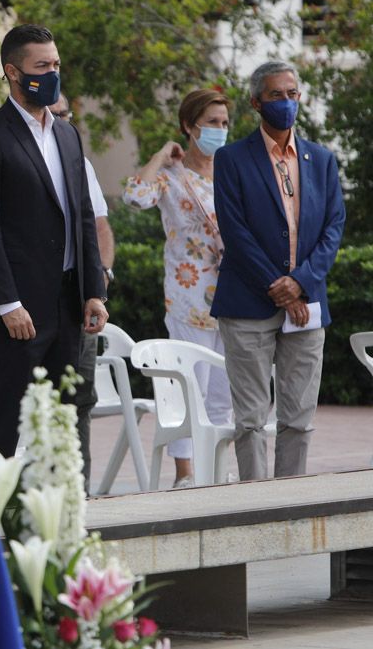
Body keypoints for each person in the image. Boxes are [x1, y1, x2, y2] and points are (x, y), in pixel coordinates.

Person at [0, 24, 107, 506]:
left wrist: (94, 290)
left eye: (56, 65)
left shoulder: (67, 135)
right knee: (6, 425)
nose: (52, 74)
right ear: (13, 71)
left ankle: (61, 520)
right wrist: (7, 303)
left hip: (68, 304)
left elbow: (82, 215)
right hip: (17, 310)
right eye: (42, 67)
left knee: (64, 422)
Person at [212, 61, 345, 481]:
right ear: (255, 102)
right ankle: (255, 509)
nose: (285, 103)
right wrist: (279, 288)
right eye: (275, 95)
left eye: (291, 94)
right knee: (250, 421)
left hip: (307, 305)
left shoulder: (321, 160)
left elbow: (333, 227)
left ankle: (291, 507)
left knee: (299, 419)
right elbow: (235, 232)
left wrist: (301, 283)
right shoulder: (231, 159)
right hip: (248, 303)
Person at [122, 89, 235, 487]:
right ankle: (185, 474)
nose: (219, 130)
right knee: (192, 387)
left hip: (235, 297)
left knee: (225, 393)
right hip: (189, 298)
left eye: (224, 123)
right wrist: (160, 157)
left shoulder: (232, 171)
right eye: (211, 122)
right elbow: (135, 197)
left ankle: (217, 470)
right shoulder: (171, 177)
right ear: (189, 126)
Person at [50, 94, 115, 490]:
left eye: (65, 115)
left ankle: (78, 493)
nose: (60, 121)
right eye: (53, 115)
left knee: (80, 401)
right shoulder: (19, 153)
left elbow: (98, 226)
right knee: (41, 404)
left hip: (79, 301)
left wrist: (99, 281)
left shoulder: (79, 160)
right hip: (35, 305)